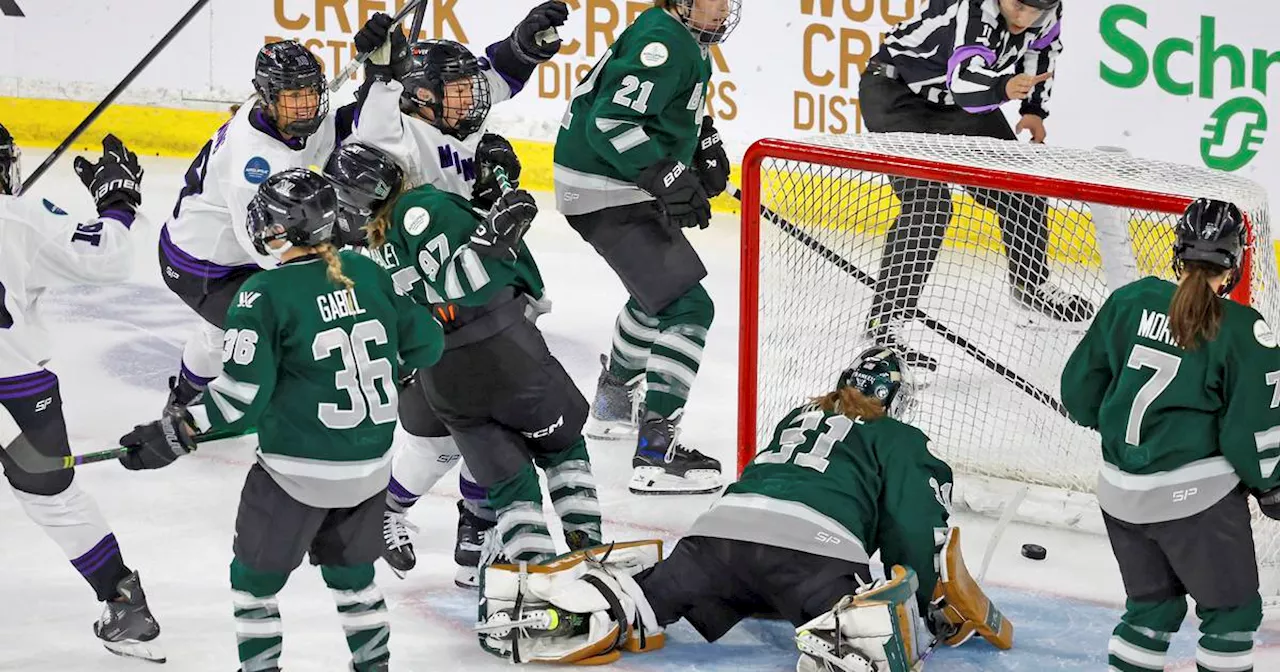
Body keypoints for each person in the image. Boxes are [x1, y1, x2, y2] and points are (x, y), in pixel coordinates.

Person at [474, 347, 1013, 669]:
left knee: (651, 596)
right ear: (892, 403)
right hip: (813, 558)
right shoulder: (897, 436)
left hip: (715, 540)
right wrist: (918, 603)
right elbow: (910, 521)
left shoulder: (796, 420)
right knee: (860, 628)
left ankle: (573, 607)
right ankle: (846, 635)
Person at [117, 168, 445, 672]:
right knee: (355, 581)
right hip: (370, 473)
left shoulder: (261, 295)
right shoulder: (369, 272)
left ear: (280, 230)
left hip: (295, 476)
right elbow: (428, 341)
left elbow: (239, 399)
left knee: (254, 587)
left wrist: (175, 431)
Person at [344, 9, 567, 583]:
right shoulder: (393, 128)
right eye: (459, 95)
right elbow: (371, 123)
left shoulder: (449, 110)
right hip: (428, 293)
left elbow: (494, 76)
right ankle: (465, 523)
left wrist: (522, 46)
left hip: (469, 279)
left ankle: (467, 522)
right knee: (462, 426)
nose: (473, 104)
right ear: (418, 99)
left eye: (471, 93)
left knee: (456, 431)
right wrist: (379, 68)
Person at [329, 138, 602, 569]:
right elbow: (459, 283)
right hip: (505, 352)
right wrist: (494, 240)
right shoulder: (420, 208)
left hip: (441, 379)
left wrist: (489, 216)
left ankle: (532, 571)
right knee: (562, 446)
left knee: (506, 484)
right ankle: (590, 552)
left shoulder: (364, 253)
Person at [1062, 198, 1280, 672]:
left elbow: (1078, 395)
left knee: (1151, 611)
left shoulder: (1130, 299)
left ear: (1178, 251)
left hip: (1119, 495)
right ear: (1235, 261)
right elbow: (1252, 432)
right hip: (1194, 504)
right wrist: (1271, 486)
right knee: (1232, 616)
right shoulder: (1244, 329)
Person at [159, 13, 399, 414]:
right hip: (203, 264)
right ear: (268, 97)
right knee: (286, 328)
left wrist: (379, 74)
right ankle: (196, 403)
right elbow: (270, 252)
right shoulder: (254, 166)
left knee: (218, 334)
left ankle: (184, 398)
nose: (306, 105)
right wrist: (340, 245)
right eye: (294, 96)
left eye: (310, 92)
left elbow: (351, 128)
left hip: (231, 252)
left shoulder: (287, 119)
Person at [552, 0, 742, 495]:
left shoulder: (681, 36)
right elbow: (611, 122)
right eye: (713, 0)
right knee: (689, 306)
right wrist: (668, 175)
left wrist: (704, 142)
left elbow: (664, 107)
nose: (724, 8)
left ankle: (614, 400)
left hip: (605, 184)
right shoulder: (665, 42)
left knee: (655, 296)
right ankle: (656, 453)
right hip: (604, 188)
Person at [0, 127, 164, 661]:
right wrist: (117, 203)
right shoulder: (20, 218)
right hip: (18, 396)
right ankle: (124, 601)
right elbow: (108, 259)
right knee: (53, 499)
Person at [860, 0, 1090, 371]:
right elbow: (965, 83)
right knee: (929, 206)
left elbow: (1043, 52)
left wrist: (1033, 111)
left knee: (1021, 186)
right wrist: (1003, 88)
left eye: (1036, 10)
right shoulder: (973, 9)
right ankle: (885, 323)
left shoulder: (1047, 10)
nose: (1023, 17)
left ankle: (1031, 286)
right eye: (1017, 5)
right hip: (898, 95)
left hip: (957, 105)